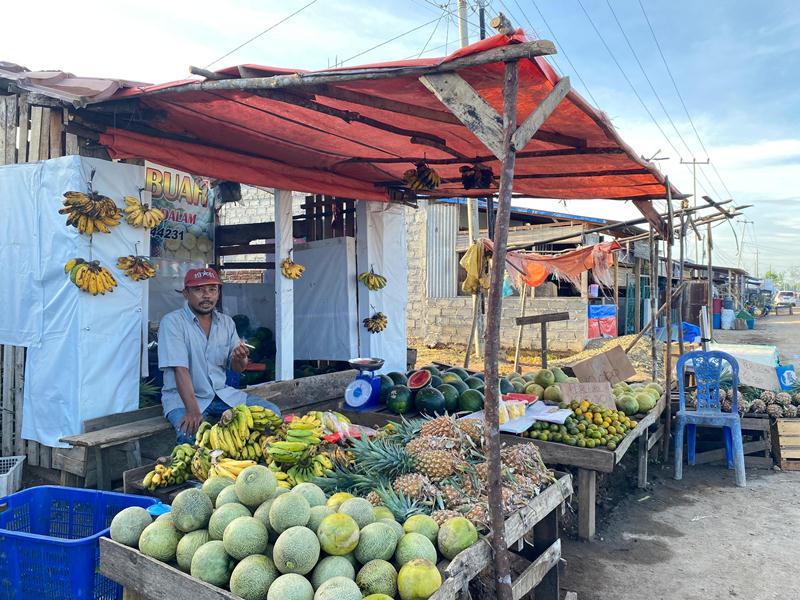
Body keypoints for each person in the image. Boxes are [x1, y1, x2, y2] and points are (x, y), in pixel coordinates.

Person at [158, 267, 281, 444]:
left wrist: (240, 358)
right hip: (184, 400)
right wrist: (192, 411)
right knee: (190, 437)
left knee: (272, 414)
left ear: (218, 293)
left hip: (222, 394)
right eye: (198, 290)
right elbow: (180, 369)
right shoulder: (172, 322)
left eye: (212, 289)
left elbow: (238, 368)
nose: (206, 295)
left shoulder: (226, 323)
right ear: (186, 293)